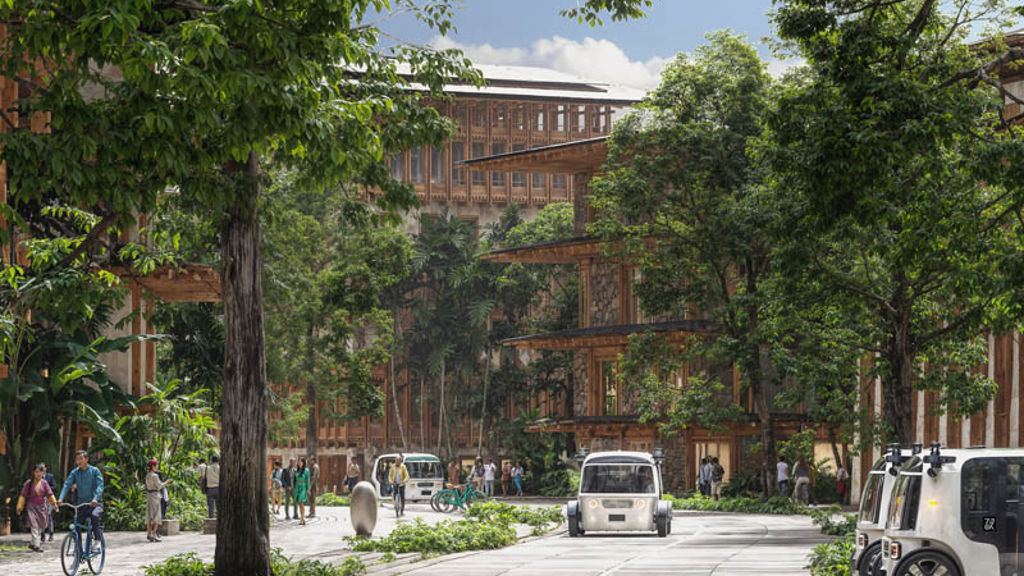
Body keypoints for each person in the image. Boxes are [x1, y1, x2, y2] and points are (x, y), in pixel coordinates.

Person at [56, 450, 105, 547]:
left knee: (94, 516)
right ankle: (78, 547)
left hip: (95, 503)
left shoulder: (94, 471)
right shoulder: (75, 472)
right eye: (77, 459)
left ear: (86, 459)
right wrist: (61, 498)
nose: (79, 461)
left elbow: (100, 486)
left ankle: (98, 540)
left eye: (81, 459)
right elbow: (67, 485)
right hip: (81, 504)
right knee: (76, 524)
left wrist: (95, 498)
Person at [17, 463, 57, 552]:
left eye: (40, 472)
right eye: (36, 472)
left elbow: (50, 494)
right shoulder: (29, 483)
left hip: (42, 507)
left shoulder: (45, 483)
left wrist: (54, 504)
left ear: (43, 473)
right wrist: (19, 507)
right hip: (31, 507)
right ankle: (37, 545)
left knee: (40, 526)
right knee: (34, 525)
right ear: (33, 472)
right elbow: (23, 496)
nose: (38, 474)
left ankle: (33, 543)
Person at [146, 459, 172, 542]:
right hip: (155, 496)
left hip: (149, 495)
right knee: (156, 515)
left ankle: (149, 534)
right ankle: (154, 534)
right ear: (153, 466)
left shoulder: (148, 475)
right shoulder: (155, 476)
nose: (157, 467)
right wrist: (167, 482)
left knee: (149, 515)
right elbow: (160, 486)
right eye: (156, 465)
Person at [42, 463, 57, 542]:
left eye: (43, 468)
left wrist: (46, 489)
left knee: (48, 514)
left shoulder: (50, 476)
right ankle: (42, 534)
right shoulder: (36, 477)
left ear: (45, 468)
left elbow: (54, 486)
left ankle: (51, 533)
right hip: (40, 500)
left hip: (49, 499)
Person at [293, 457, 310, 525]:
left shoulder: (306, 471)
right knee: (299, 504)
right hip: (297, 487)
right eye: (298, 462)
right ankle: (302, 518)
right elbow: (294, 480)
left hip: (303, 487)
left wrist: (308, 489)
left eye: (301, 462)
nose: (299, 463)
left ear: (303, 463)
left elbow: (307, 480)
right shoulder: (296, 470)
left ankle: (302, 518)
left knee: (301, 502)